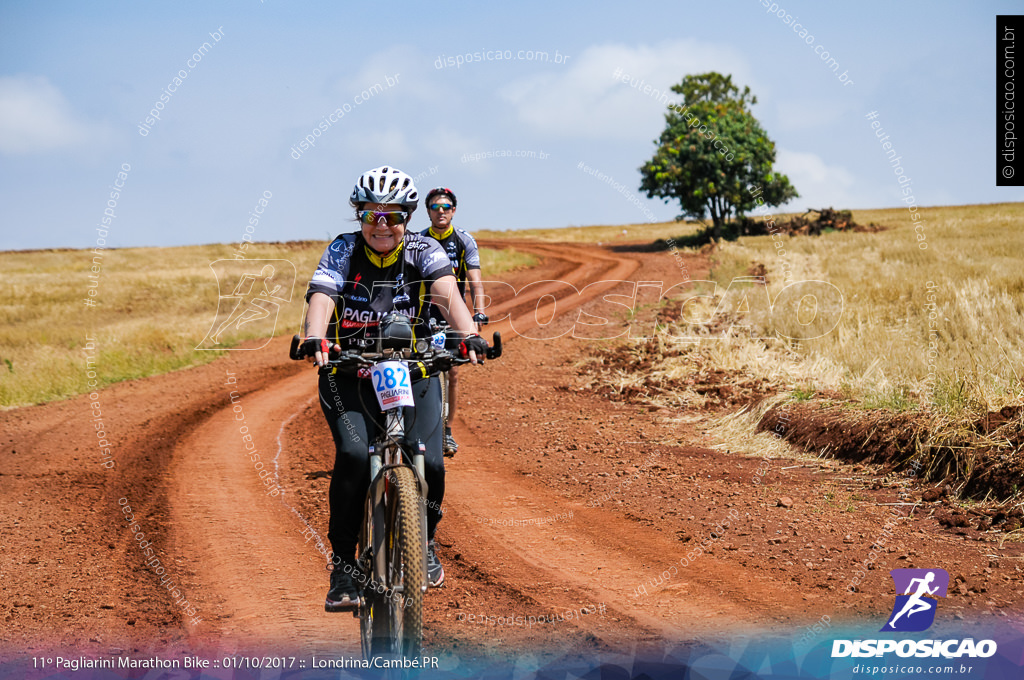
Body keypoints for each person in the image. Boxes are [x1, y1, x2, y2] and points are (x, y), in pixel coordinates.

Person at [302, 166, 487, 611]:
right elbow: (323, 295)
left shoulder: (423, 249)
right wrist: (315, 336)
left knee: (435, 463)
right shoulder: (343, 250)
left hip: (414, 369)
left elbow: (446, 292)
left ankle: (424, 543)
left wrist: (469, 334)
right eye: (371, 215)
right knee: (350, 457)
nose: (381, 225)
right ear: (360, 216)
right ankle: (343, 568)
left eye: (391, 216)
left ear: (407, 215)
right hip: (349, 371)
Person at [420, 187, 488, 455]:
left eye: (446, 207)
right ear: (427, 212)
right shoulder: (418, 239)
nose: (441, 211)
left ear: (454, 211)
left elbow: (476, 282)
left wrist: (479, 312)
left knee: (453, 371)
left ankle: (446, 431)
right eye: (436, 207)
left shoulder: (463, 240)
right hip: (423, 315)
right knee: (421, 370)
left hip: (451, 315)